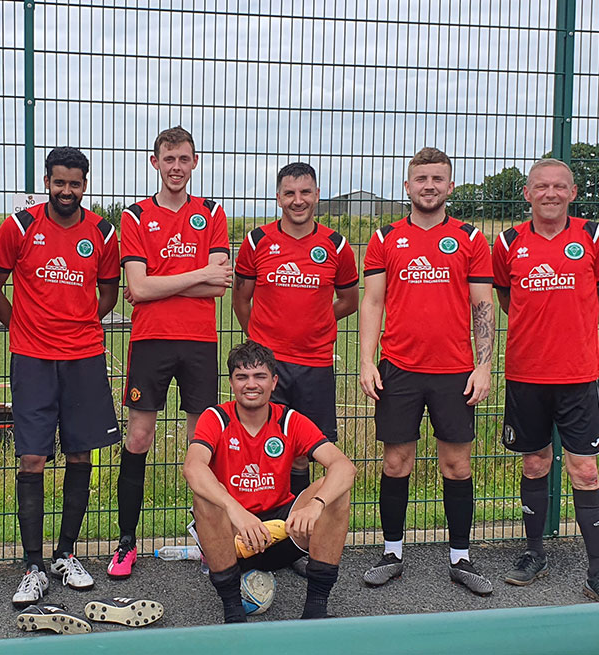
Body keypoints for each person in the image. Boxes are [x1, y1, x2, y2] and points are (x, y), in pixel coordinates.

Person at [358, 147, 494, 595]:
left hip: (455, 371)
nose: (429, 186)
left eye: (438, 179)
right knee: (396, 463)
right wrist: (365, 361)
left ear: (450, 186)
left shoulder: (471, 238)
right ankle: (392, 552)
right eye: (422, 179)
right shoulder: (384, 237)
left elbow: (482, 306)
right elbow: (373, 301)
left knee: (456, 465)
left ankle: (461, 557)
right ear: (407, 186)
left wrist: (484, 366)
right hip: (399, 369)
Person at [0, 147, 121, 606]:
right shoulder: (20, 226)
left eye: (76, 184)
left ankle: (66, 554)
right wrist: (17, 324)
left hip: (84, 357)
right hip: (32, 358)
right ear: (46, 181)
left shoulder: (102, 231)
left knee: (81, 454)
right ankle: (32, 566)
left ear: (86, 185)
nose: (67, 191)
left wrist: (83, 320)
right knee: (32, 458)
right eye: (59, 182)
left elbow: (108, 291)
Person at [109, 126, 232, 579]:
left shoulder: (212, 212)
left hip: (199, 342)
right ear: (154, 162)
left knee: (200, 446)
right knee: (138, 439)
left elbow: (218, 286)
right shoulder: (136, 216)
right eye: (168, 159)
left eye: (184, 159)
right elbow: (137, 287)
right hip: (150, 342)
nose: (176, 167)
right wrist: (196, 274)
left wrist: (157, 285)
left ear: (194, 162)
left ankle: (207, 536)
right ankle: (126, 542)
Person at [184, 341, 356, 622]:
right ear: (231, 383)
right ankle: (233, 611)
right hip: (234, 534)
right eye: (242, 377)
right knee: (204, 497)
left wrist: (315, 506)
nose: (251, 384)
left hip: (280, 531)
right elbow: (192, 468)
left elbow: (344, 467)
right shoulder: (216, 417)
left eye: (259, 376)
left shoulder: (289, 420)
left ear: (274, 382)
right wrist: (235, 510)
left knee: (336, 491)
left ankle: (316, 608)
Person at [492, 158, 599, 600]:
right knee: (534, 462)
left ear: (574, 193)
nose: (550, 193)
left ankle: (596, 565)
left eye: (559, 186)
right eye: (542, 187)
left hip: (579, 375)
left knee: (585, 470)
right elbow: (504, 295)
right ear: (528, 194)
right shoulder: (509, 241)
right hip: (526, 374)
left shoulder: (592, 235)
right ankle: (534, 552)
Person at [233, 161, 358, 500]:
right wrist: (260, 339)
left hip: (314, 364)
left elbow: (349, 300)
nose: (297, 200)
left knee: (303, 452)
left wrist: (318, 318)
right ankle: (261, 527)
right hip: (269, 367)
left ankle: (298, 531)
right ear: (278, 197)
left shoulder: (336, 244)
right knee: (264, 444)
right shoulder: (257, 240)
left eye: (305, 192)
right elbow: (241, 299)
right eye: (289, 193)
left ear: (317, 195)